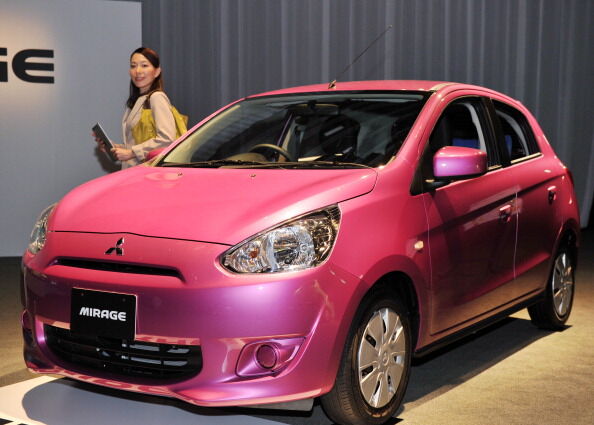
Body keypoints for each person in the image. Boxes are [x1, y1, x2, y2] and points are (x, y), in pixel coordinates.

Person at [94, 47, 177, 168]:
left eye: (144, 65)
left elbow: (167, 139)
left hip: (149, 175)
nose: (137, 71)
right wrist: (116, 148)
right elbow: (136, 144)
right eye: (133, 66)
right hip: (134, 172)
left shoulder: (156, 97)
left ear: (157, 71)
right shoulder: (135, 102)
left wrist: (132, 153)